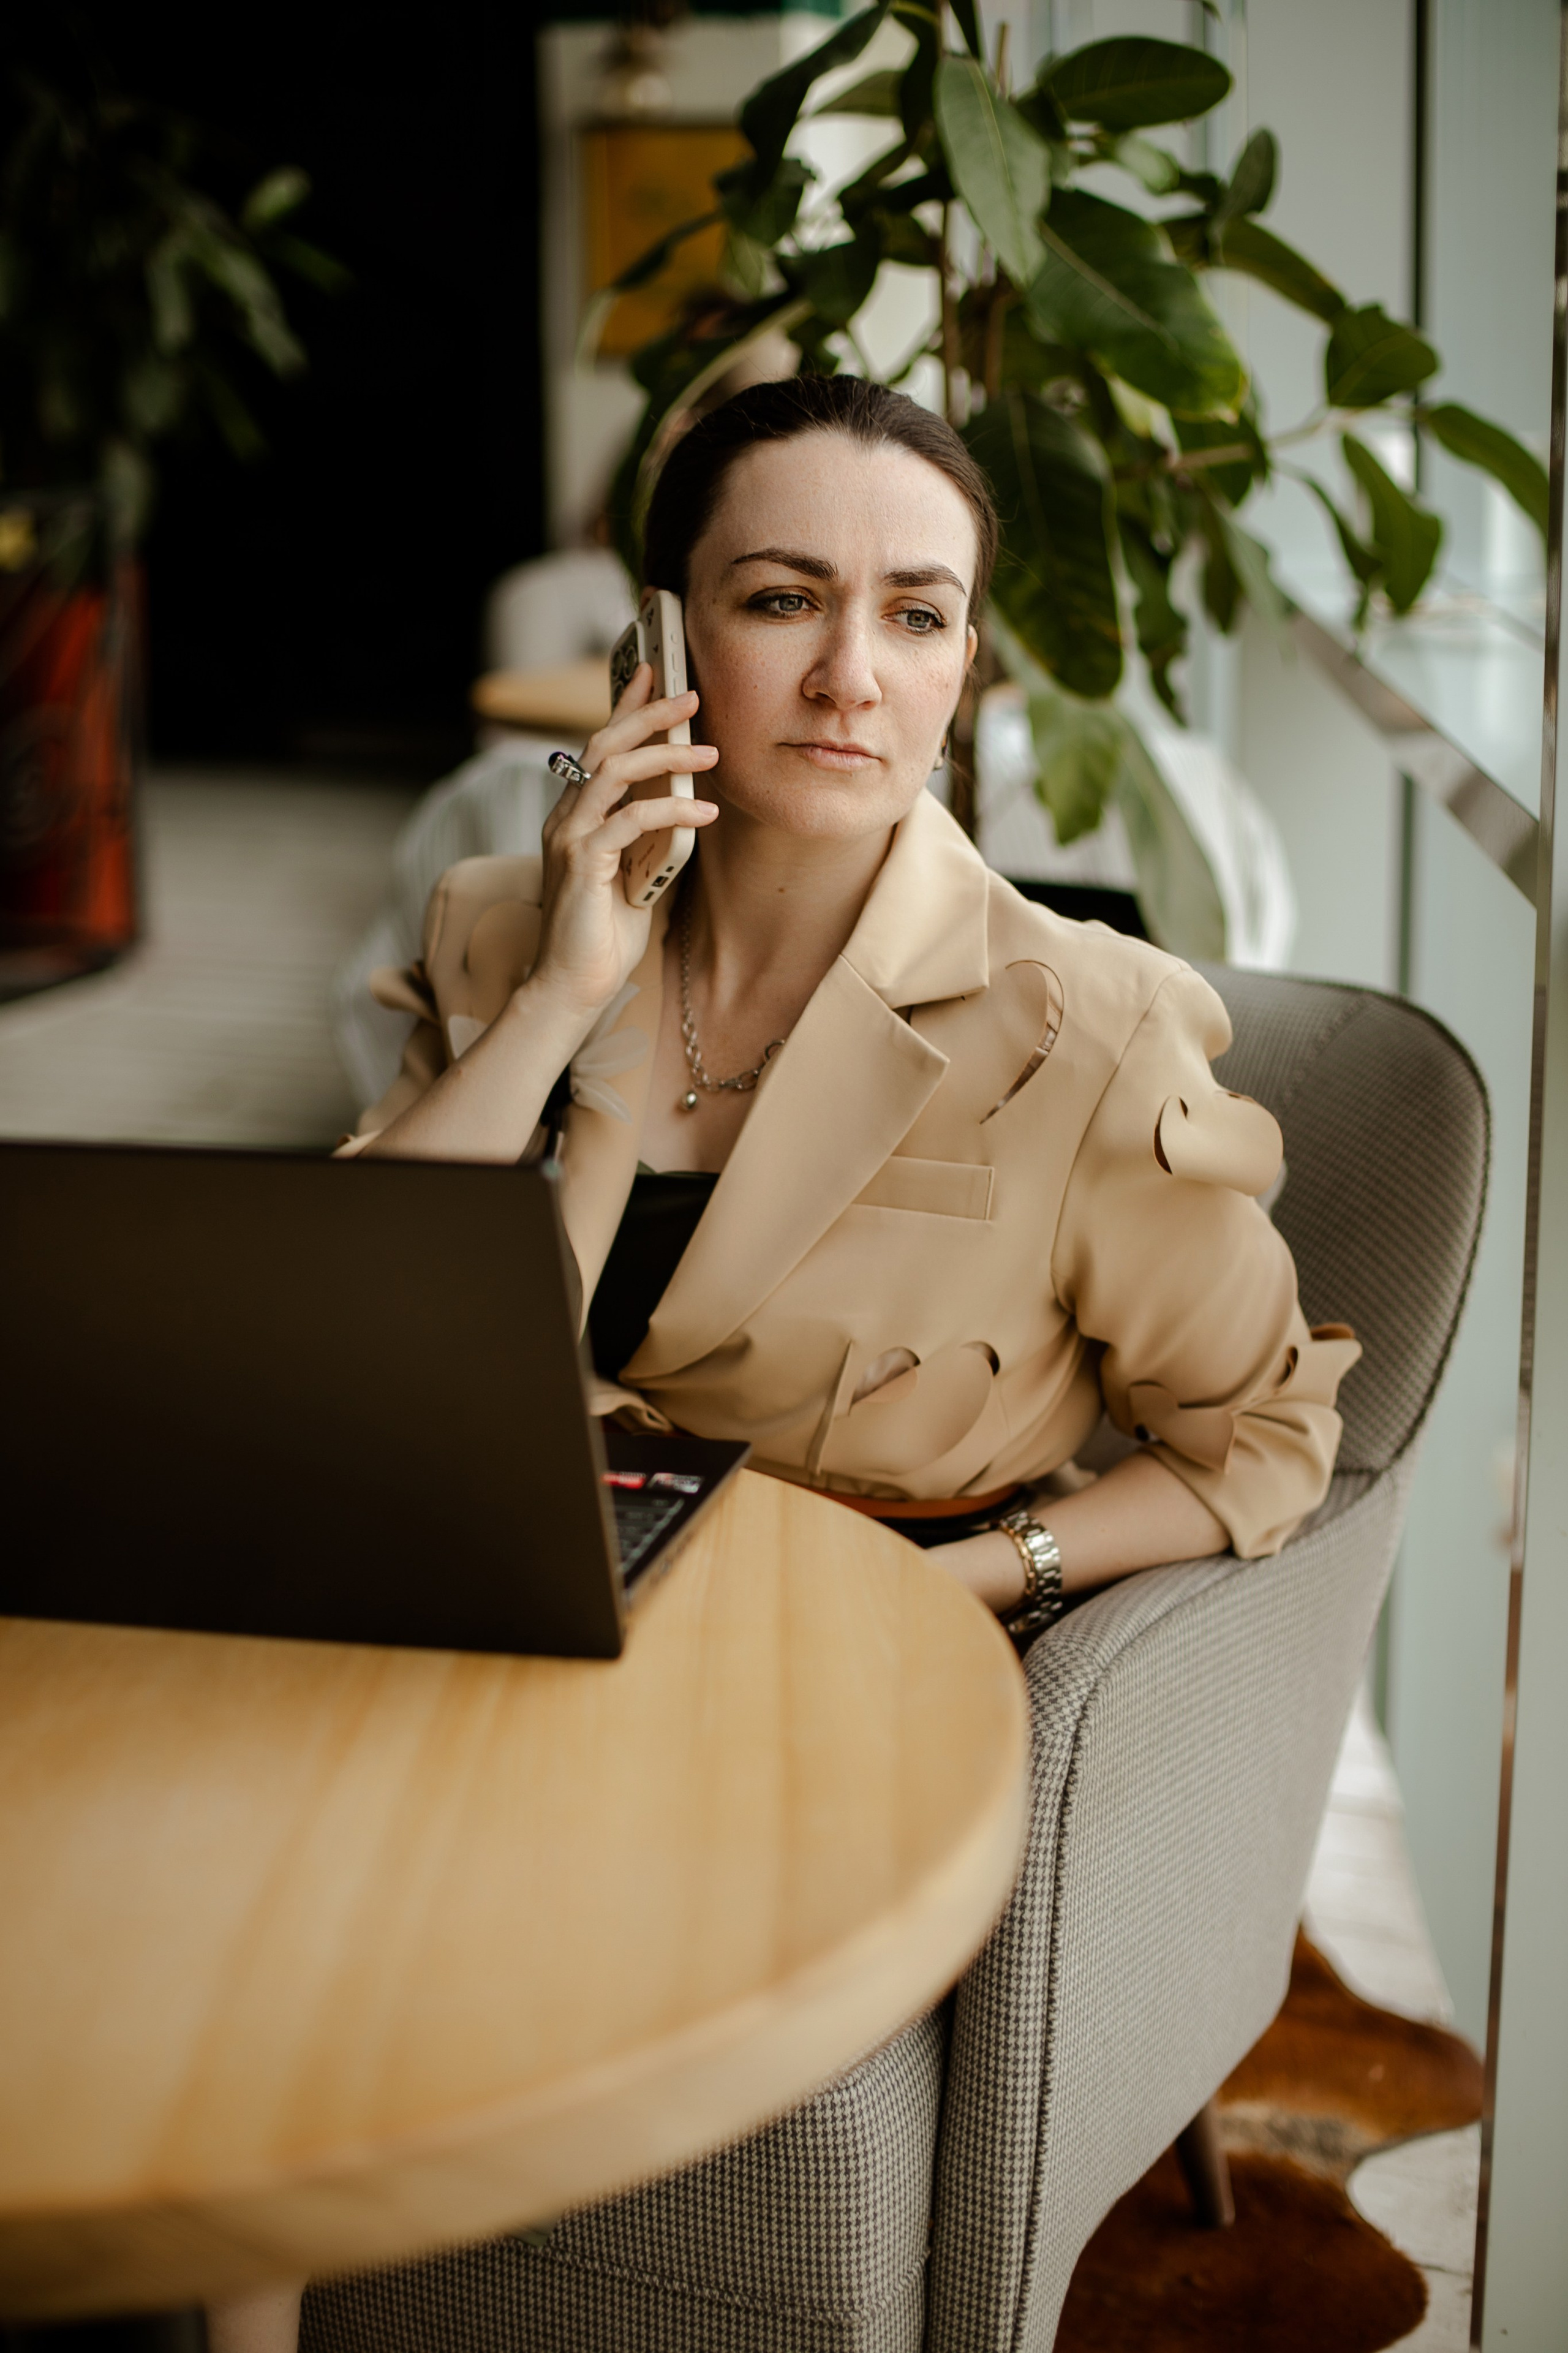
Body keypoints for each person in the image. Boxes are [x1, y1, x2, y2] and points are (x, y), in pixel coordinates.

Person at [336, 373, 1359, 1632]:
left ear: (960, 675)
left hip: (873, 1648)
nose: (849, 677)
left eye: (915, 617)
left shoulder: (1094, 1025)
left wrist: (940, 1583)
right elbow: (351, 1329)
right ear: (655, 648)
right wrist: (560, 997)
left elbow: (1259, 1443)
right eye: (782, 600)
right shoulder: (502, 930)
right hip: (515, 1579)